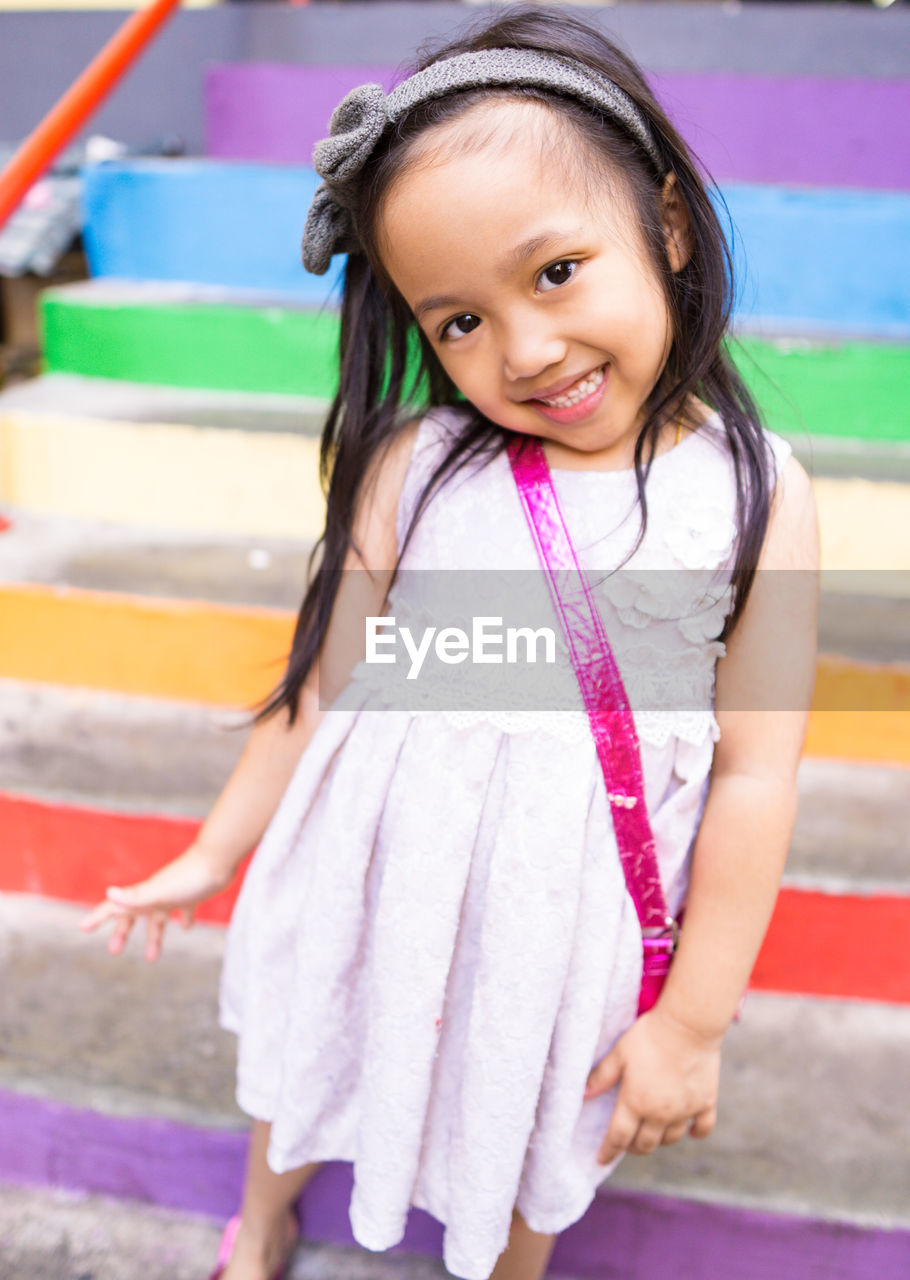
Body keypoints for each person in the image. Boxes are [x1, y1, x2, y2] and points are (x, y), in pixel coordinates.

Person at [78, 7, 819, 1279]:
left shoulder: (758, 489)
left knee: (532, 1114)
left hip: (560, 922)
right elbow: (322, 690)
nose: (525, 351)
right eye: (457, 322)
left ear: (670, 225)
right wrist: (211, 851)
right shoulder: (417, 467)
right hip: (372, 876)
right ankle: (261, 1225)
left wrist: (692, 1020)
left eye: (555, 272)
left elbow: (756, 770)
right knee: (320, 1038)